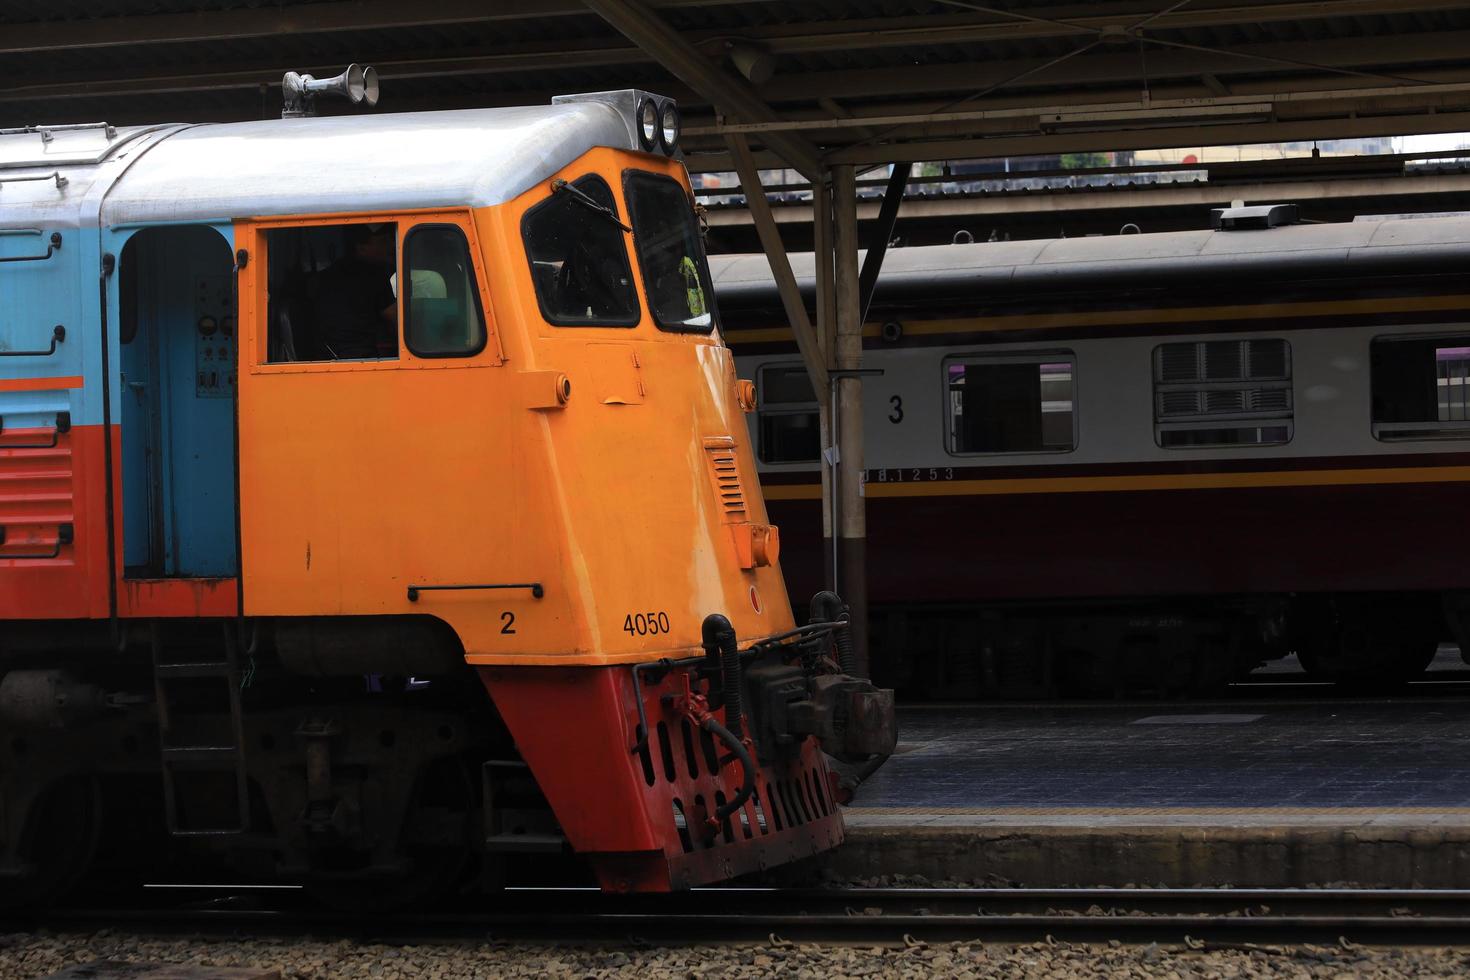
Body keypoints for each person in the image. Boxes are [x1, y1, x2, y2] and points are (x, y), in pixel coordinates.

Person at [312, 224, 397, 359]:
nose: (392, 246)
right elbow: (397, 317)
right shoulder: (372, 274)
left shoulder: (330, 274)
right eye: (383, 242)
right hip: (358, 355)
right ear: (361, 248)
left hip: (327, 353)